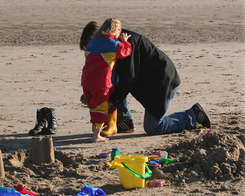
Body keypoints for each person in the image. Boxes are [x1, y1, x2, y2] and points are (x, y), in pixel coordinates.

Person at [79, 21, 211, 137]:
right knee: (113, 86)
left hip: (163, 82)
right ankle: (125, 121)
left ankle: (192, 115)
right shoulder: (110, 45)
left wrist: (112, 100)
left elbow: (128, 78)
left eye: (89, 46)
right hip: (150, 82)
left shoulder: (123, 45)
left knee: (153, 128)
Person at [81, 18, 132, 143]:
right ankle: (96, 136)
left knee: (93, 106)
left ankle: (98, 130)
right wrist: (125, 41)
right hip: (101, 82)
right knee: (100, 108)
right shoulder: (114, 45)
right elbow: (126, 52)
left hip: (87, 81)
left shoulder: (92, 42)